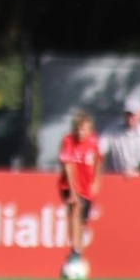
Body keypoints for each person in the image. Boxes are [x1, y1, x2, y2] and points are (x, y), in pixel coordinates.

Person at [57, 111, 102, 269]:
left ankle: (78, 251)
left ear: (89, 130)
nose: (80, 132)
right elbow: (68, 166)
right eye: (77, 129)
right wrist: (73, 192)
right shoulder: (68, 141)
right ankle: (75, 249)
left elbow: (98, 160)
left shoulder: (94, 142)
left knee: (83, 221)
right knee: (75, 209)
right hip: (69, 185)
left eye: (83, 129)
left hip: (86, 186)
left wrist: (96, 180)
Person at [99, 97, 140, 176]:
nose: (130, 117)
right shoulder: (111, 131)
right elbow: (99, 151)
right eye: (127, 114)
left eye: (133, 114)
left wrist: (137, 172)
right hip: (118, 178)